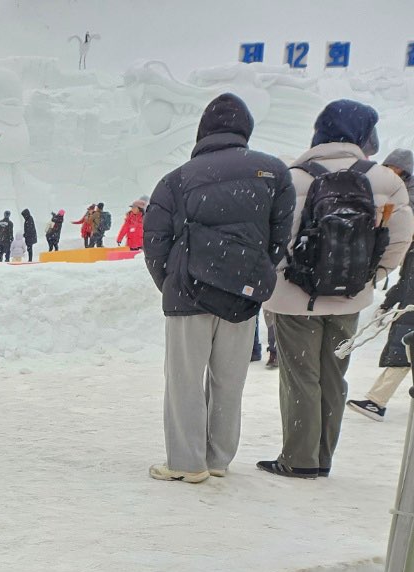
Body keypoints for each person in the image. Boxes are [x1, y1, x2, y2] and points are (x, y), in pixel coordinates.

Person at [143, 93, 296, 483]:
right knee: (229, 381)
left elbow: (155, 241)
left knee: (184, 381)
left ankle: (187, 462)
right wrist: (252, 275)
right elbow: (279, 239)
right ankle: (217, 459)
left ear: (203, 131)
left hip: (188, 293)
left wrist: (172, 282)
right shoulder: (274, 173)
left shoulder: (176, 179)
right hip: (241, 295)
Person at [259, 100, 412, 477]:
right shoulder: (385, 180)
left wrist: (283, 276)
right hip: (348, 298)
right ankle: (323, 456)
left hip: (294, 299)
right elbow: (399, 240)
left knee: (301, 377)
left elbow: (272, 238)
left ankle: (299, 459)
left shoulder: (292, 177)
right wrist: (368, 277)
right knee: (333, 376)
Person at [348, 148, 414, 421]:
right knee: (406, 347)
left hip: (410, 302)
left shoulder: (405, 196)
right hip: (408, 294)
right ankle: (376, 401)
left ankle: (377, 401)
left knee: (405, 346)